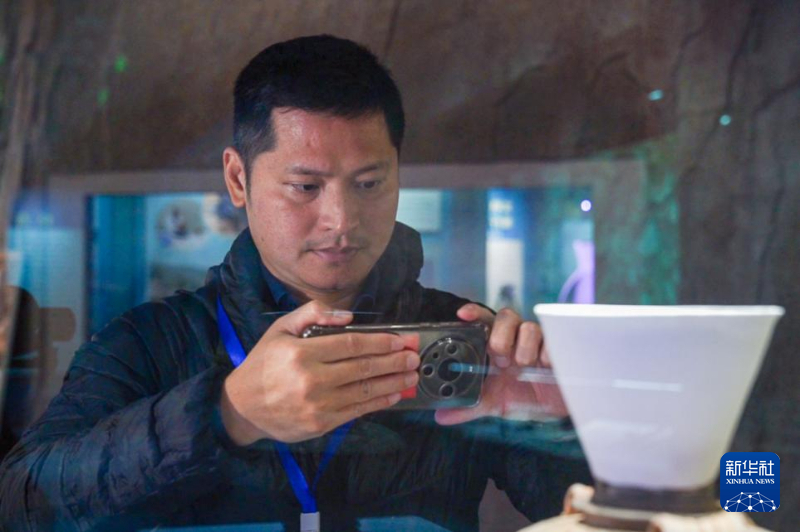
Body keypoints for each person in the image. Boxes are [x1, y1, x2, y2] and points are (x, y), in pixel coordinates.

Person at [0, 35, 588, 531]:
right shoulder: (150, 343)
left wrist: (557, 428)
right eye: (305, 187)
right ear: (238, 179)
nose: (341, 221)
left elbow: (598, 512)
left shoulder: (461, 342)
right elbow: (20, 503)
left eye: (369, 184)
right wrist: (227, 412)